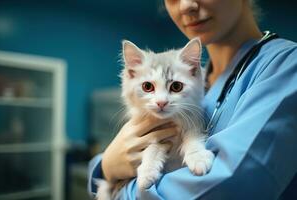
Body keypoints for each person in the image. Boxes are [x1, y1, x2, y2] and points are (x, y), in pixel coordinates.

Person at [88, 0, 297, 199]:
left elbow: (224, 190)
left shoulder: (286, 67)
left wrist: (114, 187)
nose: (187, 5)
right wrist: (105, 164)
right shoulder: (196, 79)